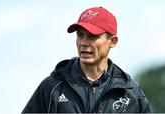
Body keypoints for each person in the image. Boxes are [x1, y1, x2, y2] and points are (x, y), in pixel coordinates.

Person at [22, 6, 151, 113]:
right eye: (80, 35)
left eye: (92, 36)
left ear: (112, 41)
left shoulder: (130, 93)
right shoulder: (52, 87)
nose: (83, 43)